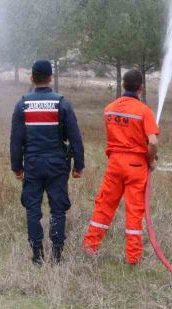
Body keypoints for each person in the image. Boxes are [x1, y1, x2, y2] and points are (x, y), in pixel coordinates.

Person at [10, 59, 85, 265]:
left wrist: (17, 167)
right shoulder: (62, 103)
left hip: (32, 163)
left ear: (32, 78)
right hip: (57, 164)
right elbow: (75, 137)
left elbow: (16, 140)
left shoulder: (22, 104)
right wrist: (79, 165)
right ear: (50, 77)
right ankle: (57, 254)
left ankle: (37, 255)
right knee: (58, 209)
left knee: (33, 208)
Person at [82, 69, 160, 265]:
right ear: (141, 87)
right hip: (136, 165)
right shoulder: (144, 111)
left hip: (115, 164)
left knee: (104, 205)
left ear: (123, 85)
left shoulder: (109, 108)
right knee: (134, 211)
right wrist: (151, 161)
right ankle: (133, 257)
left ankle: (90, 247)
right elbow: (153, 142)